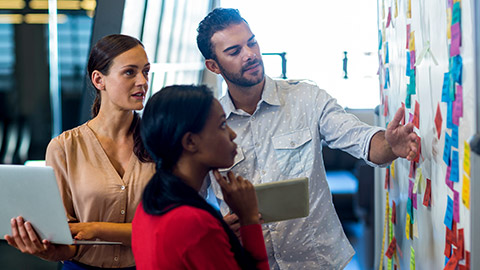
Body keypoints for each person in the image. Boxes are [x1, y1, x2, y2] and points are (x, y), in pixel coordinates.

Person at [196, 8, 418, 269]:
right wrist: (216, 228)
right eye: (234, 51)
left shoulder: (307, 98)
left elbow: (362, 140)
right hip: (247, 262)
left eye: (252, 42)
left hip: (318, 262)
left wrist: (390, 145)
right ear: (213, 66)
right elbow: (189, 200)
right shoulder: (208, 124)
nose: (251, 55)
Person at [4, 34, 155, 269]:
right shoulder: (64, 147)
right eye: (130, 72)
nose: (142, 81)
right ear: (99, 80)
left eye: (145, 71)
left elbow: (167, 227)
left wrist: (95, 229)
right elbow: (68, 238)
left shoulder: (161, 141)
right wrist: (47, 249)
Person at [131, 85, 269, 270]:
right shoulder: (194, 223)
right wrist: (249, 219)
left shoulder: (149, 205)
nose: (232, 134)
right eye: (222, 125)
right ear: (190, 142)